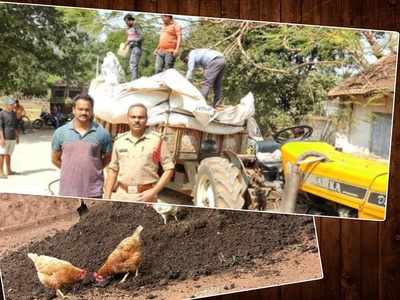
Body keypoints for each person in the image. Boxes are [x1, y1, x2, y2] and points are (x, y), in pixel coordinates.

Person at [104, 104, 175, 202]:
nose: (136, 120)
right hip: (122, 196)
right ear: (128, 119)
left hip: (146, 197)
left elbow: (169, 169)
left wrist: (154, 191)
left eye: (141, 117)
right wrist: (107, 197)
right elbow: (113, 170)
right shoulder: (119, 141)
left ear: (146, 119)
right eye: (133, 117)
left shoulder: (157, 141)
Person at [51, 94, 112, 198]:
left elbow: (107, 158)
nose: (84, 112)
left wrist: (92, 169)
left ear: (92, 111)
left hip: (93, 191)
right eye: (80, 109)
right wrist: (70, 169)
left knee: (91, 214)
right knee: (69, 214)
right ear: (73, 110)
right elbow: (55, 159)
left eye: (87, 109)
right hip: (68, 191)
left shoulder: (102, 133)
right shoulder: (60, 132)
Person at [0, 98, 19, 178]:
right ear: (7, 105)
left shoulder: (14, 113)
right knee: (2, 154)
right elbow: (0, 127)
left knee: (9, 154)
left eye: (13, 104)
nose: (13, 105)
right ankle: (0, 172)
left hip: (12, 137)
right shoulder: (1, 113)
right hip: (5, 138)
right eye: (11, 104)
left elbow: (15, 126)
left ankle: (9, 170)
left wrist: (17, 136)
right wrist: (2, 138)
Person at [124, 14, 143, 80]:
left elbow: (141, 37)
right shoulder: (128, 28)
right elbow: (129, 38)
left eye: (127, 22)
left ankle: (134, 80)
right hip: (131, 48)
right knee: (131, 64)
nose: (126, 23)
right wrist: (125, 45)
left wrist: (132, 40)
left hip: (136, 48)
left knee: (133, 64)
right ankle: (134, 79)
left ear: (130, 20)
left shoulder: (136, 26)